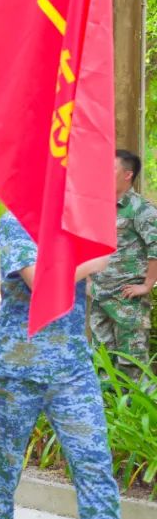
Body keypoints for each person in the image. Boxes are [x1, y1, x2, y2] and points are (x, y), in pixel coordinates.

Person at [0, 211, 157, 519]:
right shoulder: (14, 220)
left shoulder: (77, 221)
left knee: (95, 468)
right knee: (3, 469)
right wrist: (94, 260)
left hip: (72, 368)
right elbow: (40, 282)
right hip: (18, 365)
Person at [88, 149, 157, 378]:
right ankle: (107, 412)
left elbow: (155, 248)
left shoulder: (141, 209)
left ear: (127, 174)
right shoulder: (99, 207)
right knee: (102, 362)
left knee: (132, 365)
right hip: (101, 297)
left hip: (128, 300)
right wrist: (89, 280)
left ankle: (134, 413)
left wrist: (147, 285)